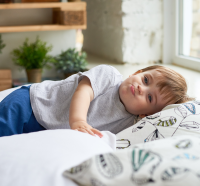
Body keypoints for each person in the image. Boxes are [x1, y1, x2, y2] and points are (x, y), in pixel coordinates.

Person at [0, 65, 194, 137]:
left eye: (150, 97)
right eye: (145, 80)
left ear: (145, 114)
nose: (141, 88)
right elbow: (84, 92)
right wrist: (78, 121)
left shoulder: (130, 122)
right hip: (33, 103)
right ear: (136, 73)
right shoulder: (108, 75)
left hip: (47, 129)